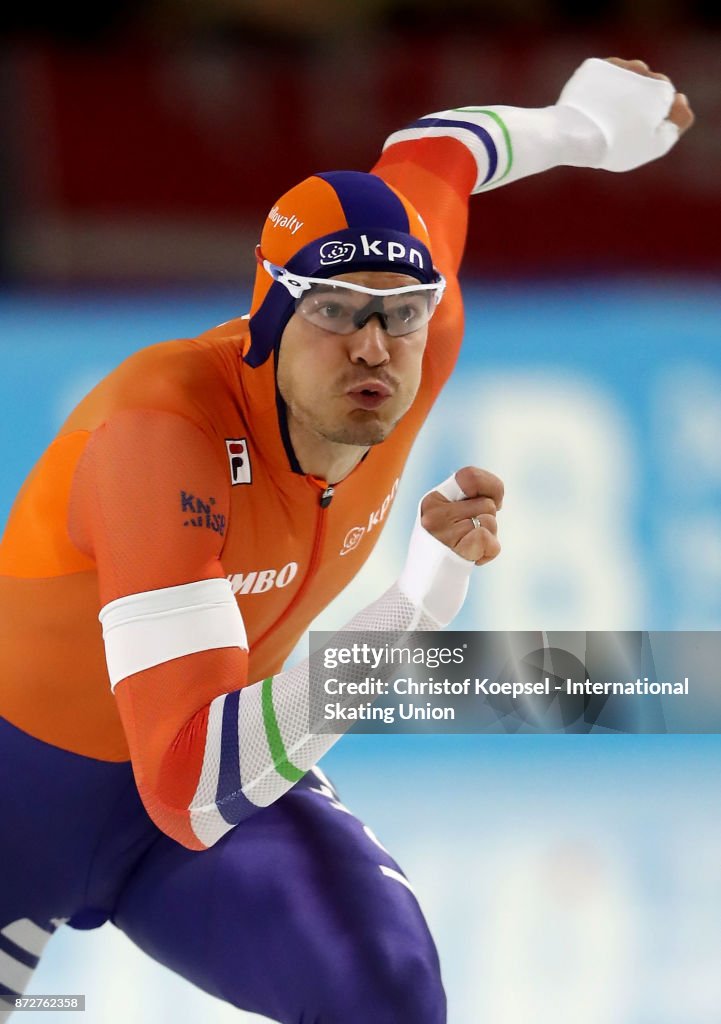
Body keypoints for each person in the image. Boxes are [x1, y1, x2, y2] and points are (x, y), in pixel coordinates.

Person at [0, 57, 693, 1022]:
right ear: (270, 318)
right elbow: (190, 791)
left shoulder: (419, 328)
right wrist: (408, 611)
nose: (373, 346)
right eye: (331, 312)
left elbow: (436, 151)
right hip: (36, 797)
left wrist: (584, 126)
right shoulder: (162, 434)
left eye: (398, 315)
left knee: (388, 996)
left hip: (199, 810)